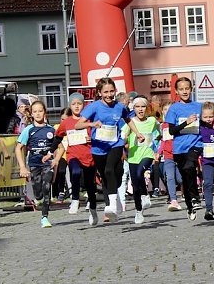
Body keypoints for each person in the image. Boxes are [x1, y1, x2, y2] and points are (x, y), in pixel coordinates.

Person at [75, 77, 145, 223]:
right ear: (99, 93)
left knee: (110, 171)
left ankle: (112, 205)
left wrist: (137, 133)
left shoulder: (119, 107)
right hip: (98, 148)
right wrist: (93, 124)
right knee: (106, 177)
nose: (109, 95)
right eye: (105, 92)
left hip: (115, 144)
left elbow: (128, 119)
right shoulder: (94, 107)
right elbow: (78, 125)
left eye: (111, 91)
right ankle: (115, 201)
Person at [52, 93, 99, 225]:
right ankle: (75, 200)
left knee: (90, 186)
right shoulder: (66, 122)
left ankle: (93, 211)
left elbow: (99, 135)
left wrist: (93, 139)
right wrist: (50, 152)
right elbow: (58, 137)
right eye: (74, 104)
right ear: (70, 106)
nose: (77, 106)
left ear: (83, 105)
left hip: (89, 156)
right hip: (73, 155)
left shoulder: (89, 120)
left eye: (79, 103)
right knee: (75, 172)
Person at [165, 77, 204, 220]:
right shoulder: (174, 108)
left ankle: (195, 198)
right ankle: (190, 205)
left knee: (189, 168)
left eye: (187, 88)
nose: (185, 91)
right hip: (179, 148)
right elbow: (171, 131)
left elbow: (205, 124)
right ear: (176, 91)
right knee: (184, 179)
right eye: (181, 89)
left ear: (191, 89)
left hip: (195, 144)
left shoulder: (198, 106)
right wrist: (186, 123)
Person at [16, 101, 57, 227]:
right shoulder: (29, 130)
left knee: (46, 188)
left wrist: (55, 160)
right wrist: (22, 167)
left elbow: (60, 147)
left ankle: (45, 217)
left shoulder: (51, 129)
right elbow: (18, 148)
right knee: (38, 193)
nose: (38, 114)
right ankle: (38, 198)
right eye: (35, 112)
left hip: (48, 163)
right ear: (32, 114)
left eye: (40, 111)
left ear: (44, 112)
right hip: (34, 163)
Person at [124, 96, 160, 224]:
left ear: (147, 108)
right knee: (136, 186)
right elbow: (123, 138)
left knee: (140, 173)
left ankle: (145, 195)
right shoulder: (130, 122)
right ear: (133, 108)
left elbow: (160, 131)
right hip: (133, 157)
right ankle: (138, 212)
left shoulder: (152, 121)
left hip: (148, 154)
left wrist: (159, 142)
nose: (140, 109)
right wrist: (126, 138)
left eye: (143, 106)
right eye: (137, 107)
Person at [156, 100, 183, 211]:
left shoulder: (178, 123)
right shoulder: (163, 125)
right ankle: (173, 200)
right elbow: (163, 140)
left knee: (181, 179)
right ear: (162, 111)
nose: (168, 112)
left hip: (179, 154)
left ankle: (189, 195)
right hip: (168, 155)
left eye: (170, 109)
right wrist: (159, 152)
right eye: (166, 109)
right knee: (170, 177)